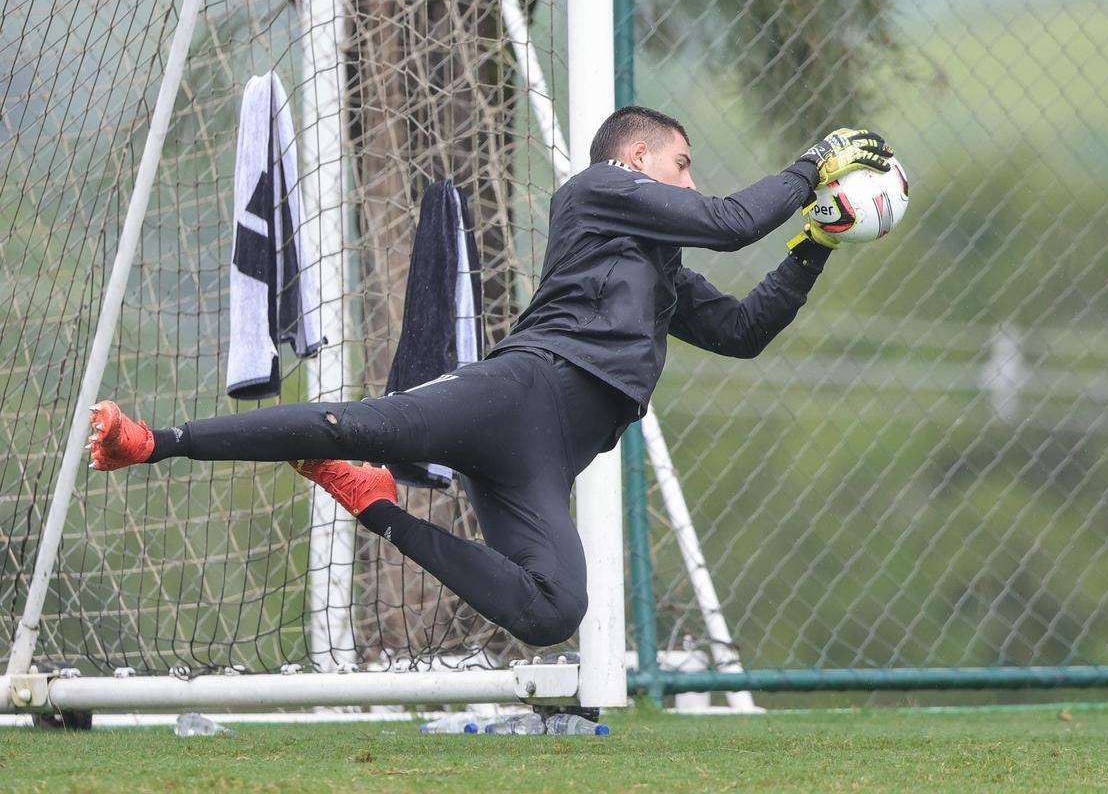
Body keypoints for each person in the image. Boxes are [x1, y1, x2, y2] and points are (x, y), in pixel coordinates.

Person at [88, 106, 892, 647]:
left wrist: (817, 240)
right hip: (520, 392)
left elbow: (742, 331)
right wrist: (815, 162)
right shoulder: (599, 189)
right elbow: (730, 222)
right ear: (637, 157)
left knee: (552, 611)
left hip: (547, 461)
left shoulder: (660, 266)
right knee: (358, 423)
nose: (689, 181)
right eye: (681, 164)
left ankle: (371, 505)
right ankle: (151, 441)